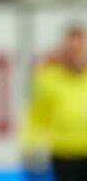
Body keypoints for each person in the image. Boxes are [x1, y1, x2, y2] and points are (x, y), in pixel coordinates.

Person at [21, 25, 87, 181]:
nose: (76, 56)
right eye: (71, 50)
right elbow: (36, 116)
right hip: (63, 151)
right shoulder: (48, 78)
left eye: (80, 50)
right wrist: (32, 144)